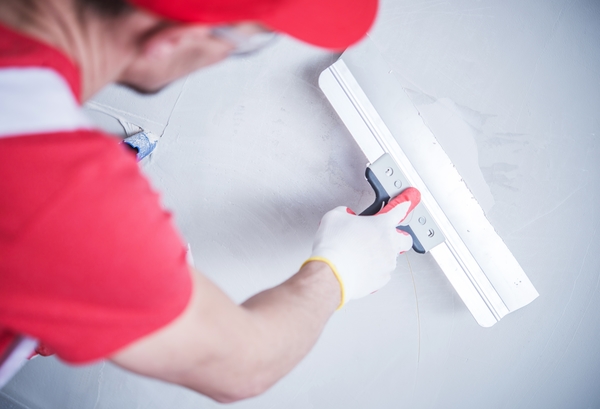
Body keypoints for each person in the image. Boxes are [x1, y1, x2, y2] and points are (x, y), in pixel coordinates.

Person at [0, 0, 421, 402]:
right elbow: (243, 364)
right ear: (172, 36)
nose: (223, 57)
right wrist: (340, 271)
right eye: (247, 41)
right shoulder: (62, 194)